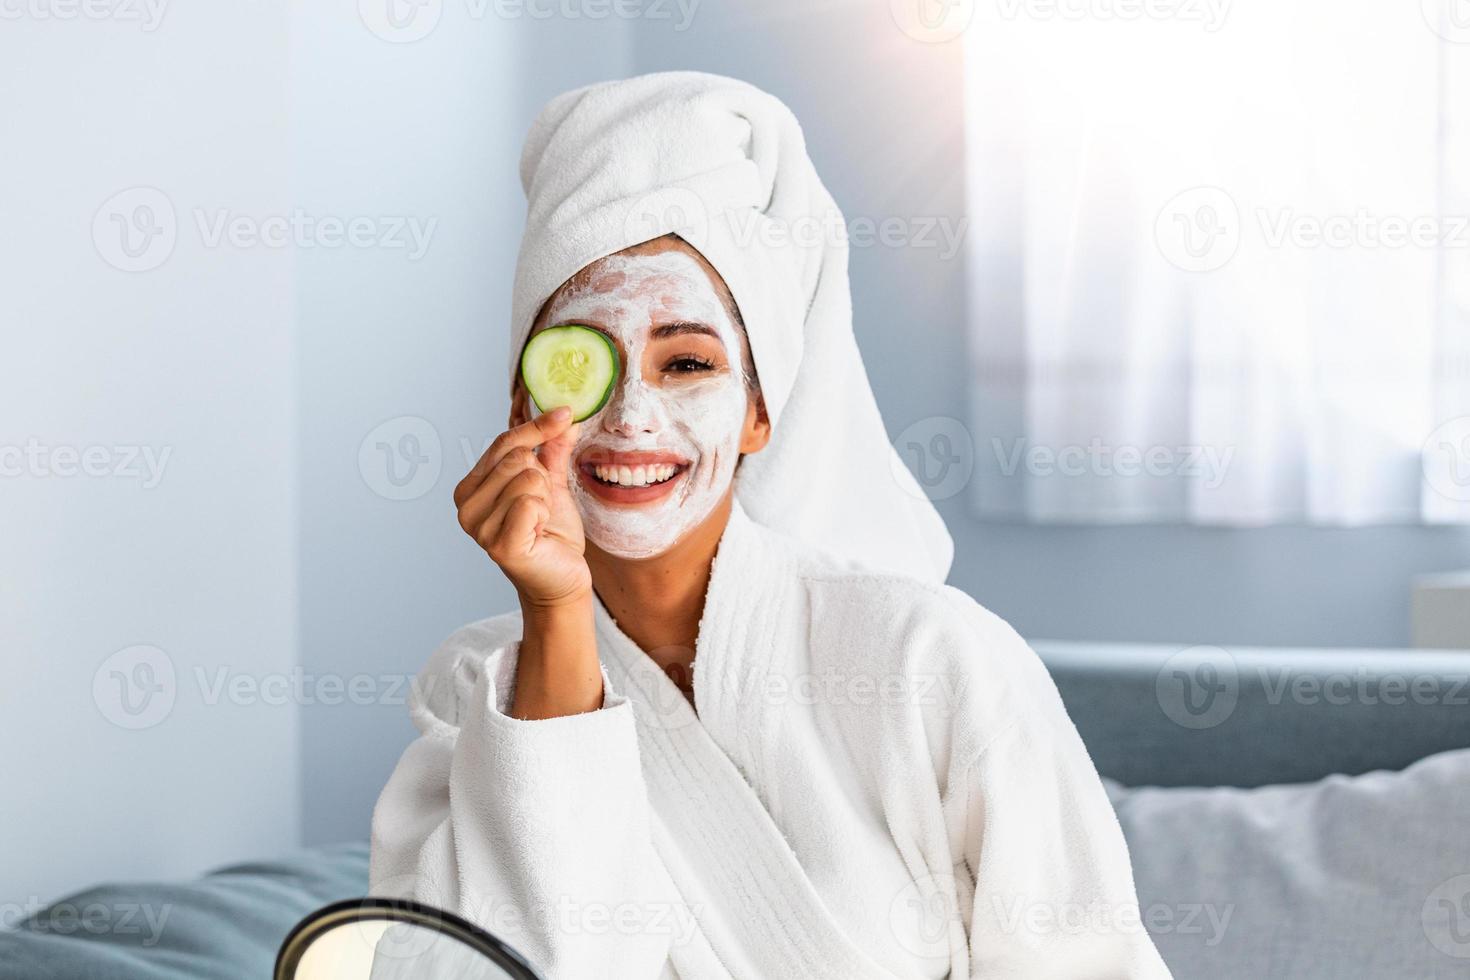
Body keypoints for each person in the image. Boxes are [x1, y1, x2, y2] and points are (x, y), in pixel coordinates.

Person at [369, 71, 1171, 980]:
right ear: (524, 402)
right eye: (583, 362)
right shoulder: (477, 687)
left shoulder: (934, 663)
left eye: (688, 363)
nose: (631, 416)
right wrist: (557, 617)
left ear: (760, 410)